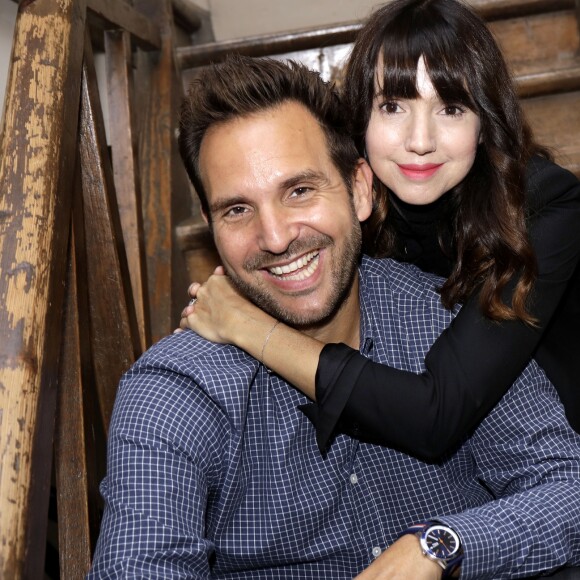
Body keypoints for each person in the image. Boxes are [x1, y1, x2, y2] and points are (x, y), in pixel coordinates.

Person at [88, 54, 580, 579]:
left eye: (299, 190)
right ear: (211, 228)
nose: (275, 237)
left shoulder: (443, 316)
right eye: (238, 209)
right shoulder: (175, 390)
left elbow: (567, 489)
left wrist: (440, 546)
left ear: (361, 189)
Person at [180, 0, 580, 460]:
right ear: (361, 120)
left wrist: (249, 327)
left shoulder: (545, 206)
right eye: (393, 105)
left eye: (450, 108)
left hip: (555, 460)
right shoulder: (353, 207)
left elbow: (436, 415)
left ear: (485, 125)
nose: (420, 141)